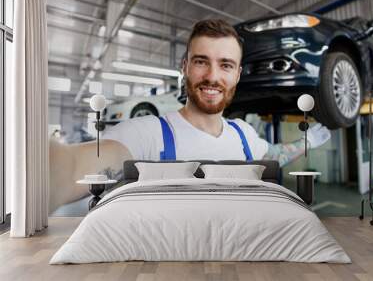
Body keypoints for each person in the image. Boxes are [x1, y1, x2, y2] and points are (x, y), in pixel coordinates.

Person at [49, 19, 330, 211]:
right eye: (201, 62)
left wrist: (309, 143)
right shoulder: (147, 133)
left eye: (226, 65)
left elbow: (274, 155)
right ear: (184, 66)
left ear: (238, 74)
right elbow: (73, 167)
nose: (212, 76)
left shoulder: (244, 133)